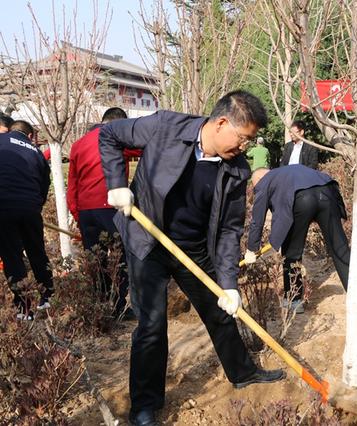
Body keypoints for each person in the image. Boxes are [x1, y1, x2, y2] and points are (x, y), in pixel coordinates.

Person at [99, 90, 285, 426]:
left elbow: (229, 230)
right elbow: (110, 134)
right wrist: (117, 183)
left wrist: (229, 285)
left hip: (194, 247)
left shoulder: (237, 171)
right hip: (147, 240)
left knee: (219, 309)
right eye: (243, 139)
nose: (244, 148)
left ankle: (242, 372)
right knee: (152, 324)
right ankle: (145, 406)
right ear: (222, 123)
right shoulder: (166, 127)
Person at [243, 165, 357, 314]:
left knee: (292, 251)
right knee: (340, 248)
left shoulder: (264, 182)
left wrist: (252, 249)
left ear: (258, 180)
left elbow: (257, 220)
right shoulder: (287, 173)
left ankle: (295, 301)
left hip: (301, 199)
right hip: (327, 193)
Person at [66, 107, 136, 318]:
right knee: (122, 257)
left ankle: (100, 307)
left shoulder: (78, 145)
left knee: (96, 260)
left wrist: (78, 215)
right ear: (119, 124)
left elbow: (72, 186)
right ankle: (117, 306)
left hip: (86, 212)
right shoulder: (118, 139)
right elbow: (146, 149)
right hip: (110, 210)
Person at [0, 120, 53, 320]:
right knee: (37, 251)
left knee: (12, 256)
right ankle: (48, 297)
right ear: (30, 136)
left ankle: (24, 309)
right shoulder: (35, 150)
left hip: (3, 205)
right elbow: (44, 182)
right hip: (29, 205)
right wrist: (35, 205)